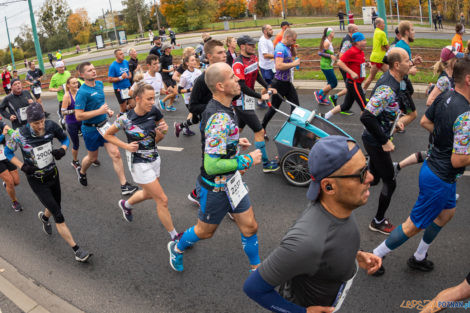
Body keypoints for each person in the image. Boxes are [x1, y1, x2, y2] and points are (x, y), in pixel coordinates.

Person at [244, 135, 382, 312]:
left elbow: (330, 243)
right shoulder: (305, 243)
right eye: (361, 174)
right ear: (329, 187)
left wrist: (355, 255)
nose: (370, 178)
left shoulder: (339, 206)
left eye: (367, 167)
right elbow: (253, 288)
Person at [371, 57, 470, 275]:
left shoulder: (446, 95)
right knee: (412, 225)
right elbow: (458, 160)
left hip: (435, 170)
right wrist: (456, 146)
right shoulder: (466, 115)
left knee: (447, 214)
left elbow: (425, 122)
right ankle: (375, 255)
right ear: (469, 80)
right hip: (440, 178)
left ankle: (419, 256)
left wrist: (445, 139)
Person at [167, 62, 263, 272]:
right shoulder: (219, 116)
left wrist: (234, 143)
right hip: (215, 188)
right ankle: (177, 247)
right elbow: (212, 165)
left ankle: (257, 269)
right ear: (220, 86)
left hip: (233, 182)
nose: (237, 79)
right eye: (232, 77)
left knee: (250, 226)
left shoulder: (223, 108)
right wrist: (247, 160)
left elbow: (212, 141)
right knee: (205, 231)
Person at [4, 102, 92, 262]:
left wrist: (62, 150)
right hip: (36, 180)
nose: (40, 125)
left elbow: (65, 140)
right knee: (58, 214)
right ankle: (77, 250)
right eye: (36, 123)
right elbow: (8, 152)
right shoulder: (19, 134)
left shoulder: (51, 126)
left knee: (55, 206)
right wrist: (22, 166)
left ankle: (44, 218)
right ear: (29, 122)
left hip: (53, 174)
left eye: (42, 121)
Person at [102, 83, 182, 241]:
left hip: (154, 157)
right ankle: (175, 237)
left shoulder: (154, 111)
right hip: (138, 162)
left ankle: (126, 205)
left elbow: (158, 137)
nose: (153, 102)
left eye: (154, 98)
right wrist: (126, 146)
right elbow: (108, 135)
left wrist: (162, 132)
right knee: (162, 199)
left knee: (148, 194)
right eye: (149, 99)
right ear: (137, 99)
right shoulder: (125, 119)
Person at [359, 47, 413, 235]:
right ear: (397, 65)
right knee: (390, 181)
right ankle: (378, 221)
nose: (411, 63)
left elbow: (382, 109)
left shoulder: (395, 80)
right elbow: (366, 116)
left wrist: (394, 122)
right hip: (374, 140)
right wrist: (384, 140)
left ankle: (362, 180)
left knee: (374, 176)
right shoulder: (388, 89)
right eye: (408, 60)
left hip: (374, 136)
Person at [74, 61, 138, 195]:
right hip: (90, 129)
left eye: (93, 68)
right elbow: (79, 116)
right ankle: (82, 172)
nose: (93, 71)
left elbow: (100, 103)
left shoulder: (99, 84)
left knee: (116, 153)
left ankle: (124, 185)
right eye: (89, 70)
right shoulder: (82, 92)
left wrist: (106, 110)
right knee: (92, 158)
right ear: (81, 74)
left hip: (104, 126)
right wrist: (99, 111)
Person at [184, 39, 227, 205]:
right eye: (220, 53)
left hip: (225, 125)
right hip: (209, 127)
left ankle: (202, 192)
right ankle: (198, 193)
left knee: (226, 160)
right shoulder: (202, 80)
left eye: (224, 52)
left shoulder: (224, 74)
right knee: (210, 164)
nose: (224, 55)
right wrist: (213, 109)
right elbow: (193, 106)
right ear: (209, 56)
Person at [232, 35, 279, 173]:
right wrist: (261, 95)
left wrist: (268, 86)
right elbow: (242, 87)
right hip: (240, 102)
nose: (254, 47)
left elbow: (257, 74)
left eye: (254, 45)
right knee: (259, 131)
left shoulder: (253, 57)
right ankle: (265, 164)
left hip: (248, 100)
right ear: (242, 47)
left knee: (238, 129)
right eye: (250, 45)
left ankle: (226, 147)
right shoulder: (238, 63)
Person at [322, 32, 369, 120]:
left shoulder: (360, 52)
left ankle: (325, 116)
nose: (365, 42)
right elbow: (340, 62)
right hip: (354, 83)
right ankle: (368, 130)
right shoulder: (352, 51)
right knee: (365, 108)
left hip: (356, 83)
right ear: (357, 42)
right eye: (363, 40)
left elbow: (358, 63)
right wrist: (351, 72)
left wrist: (366, 64)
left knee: (346, 106)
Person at [262, 29, 300, 131]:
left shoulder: (287, 46)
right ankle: (262, 127)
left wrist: (293, 46)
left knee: (296, 106)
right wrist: (294, 64)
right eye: (293, 40)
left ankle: (292, 129)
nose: (294, 42)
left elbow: (293, 55)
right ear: (287, 37)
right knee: (274, 108)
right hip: (279, 84)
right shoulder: (280, 48)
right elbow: (278, 66)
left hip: (287, 82)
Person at [329, 24, 358, 110]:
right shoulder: (347, 41)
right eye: (357, 30)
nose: (358, 31)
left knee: (351, 86)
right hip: (345, 67)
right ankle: (342, 104)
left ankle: (336, 98)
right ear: (352, 31)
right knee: (350, 87)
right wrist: (348, 65)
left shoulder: (350, 39)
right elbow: (341, 55)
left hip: (347, 66)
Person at [174, 54, 201, 137]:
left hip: (199, 98)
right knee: (199, 117)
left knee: (196, 118)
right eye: (192, 60)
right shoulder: (184, 76)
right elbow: (180, 90)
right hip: (190, 100)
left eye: (195, 60)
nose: (195, 61)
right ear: (187, 63)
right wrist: (190, 90)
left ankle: (181, 126)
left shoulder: (198, 71)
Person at [61, 77, 82, 170]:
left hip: (82, 120)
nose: (76, 84)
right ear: (68, 85)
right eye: (73, 83)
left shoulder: (80, 92)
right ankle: (75, 161)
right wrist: (74, 111)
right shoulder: (66, 96)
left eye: (76, 82)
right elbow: (63, 112)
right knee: (76, 144)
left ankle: (92, 158)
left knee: (89, 139)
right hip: (72, 123)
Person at [363, 18, 390, 92]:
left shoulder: (376, 31)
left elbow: (382, 45)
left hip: (377, 58)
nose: (384, 25)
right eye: (383, 23)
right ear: (378, 25)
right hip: (379, 58)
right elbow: (386, 46)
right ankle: (363, 91)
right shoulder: (382, 33)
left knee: (388, 74)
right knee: (373, 76)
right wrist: (391, 52)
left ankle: (364, 91)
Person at [0, 121, 21, 212]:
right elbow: (3, 133)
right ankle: (15, 201)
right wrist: (2, 135)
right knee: (10, 182)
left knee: (16, 181)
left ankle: (6, 184)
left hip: (5, 154)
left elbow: (8, 129)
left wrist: (14, 133)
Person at [314, 27, 338, 106]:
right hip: (325, 65)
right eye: (333, 32)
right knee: (334, 83)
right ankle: (318, 93)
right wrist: (331, 56)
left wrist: (334, 56)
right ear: (329, 34)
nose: (334, 33)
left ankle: (323, 98)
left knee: (329, 83)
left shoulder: (329, 42)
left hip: (328, 65)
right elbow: (320, 53)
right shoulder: (326, 42)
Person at [108, 49, 132, 116]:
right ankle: (120, 118)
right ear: (116, 56)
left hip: (128, 86)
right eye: (120, 54)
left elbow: (128, 71)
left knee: (133, 104)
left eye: (123, 53)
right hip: (119, 89)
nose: (123, 55)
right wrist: (121, 77)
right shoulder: (113, 66)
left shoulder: (126, 62)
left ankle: (125, 114)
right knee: (123, 107)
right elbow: (110, 79)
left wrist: (129, 75)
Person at [48, 61, 71, 130]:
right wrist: (57, 89)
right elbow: (50, 88)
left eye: (63, 66)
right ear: (57, 68)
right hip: (62, 98)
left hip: (71, 96)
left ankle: (76, 128)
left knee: (73, 111)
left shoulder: (67, 73)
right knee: (64, 113)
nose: (63, 68)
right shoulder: (54, 77)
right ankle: (62, 120)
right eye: (61, 67)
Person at [159, 43, 178, 111]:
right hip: (165, 77)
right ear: (166, 49)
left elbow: (170, 65)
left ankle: (169, 106)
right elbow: (160, 69)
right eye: (169, 48)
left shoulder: (170, 56)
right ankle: (162, 101)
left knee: (175, 92)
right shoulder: (161, 58)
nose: (171, 49)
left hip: (171, 75)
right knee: (174, 93)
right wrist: (169, 70)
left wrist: (174, 67)